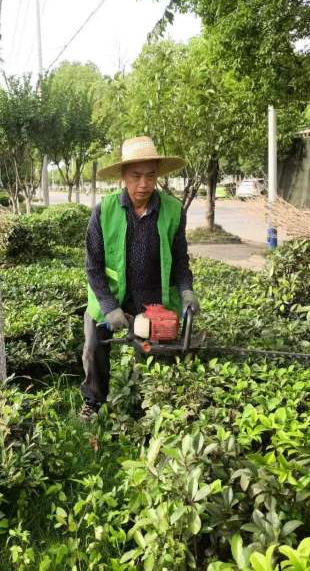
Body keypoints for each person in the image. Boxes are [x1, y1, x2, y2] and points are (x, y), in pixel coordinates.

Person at [80, 136, 198, 420]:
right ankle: (93, 401)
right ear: (123, 176)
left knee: (155, 350)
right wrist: (109, 306)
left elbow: (180, 259)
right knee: (94, 347)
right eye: (136, 176)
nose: (144, 184)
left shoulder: (173, 210)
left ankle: (148, 403)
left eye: (151, 176)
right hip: (111, 295)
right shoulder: (104, 211)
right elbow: (93, 267)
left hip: (153, 297)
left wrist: (186, 291)